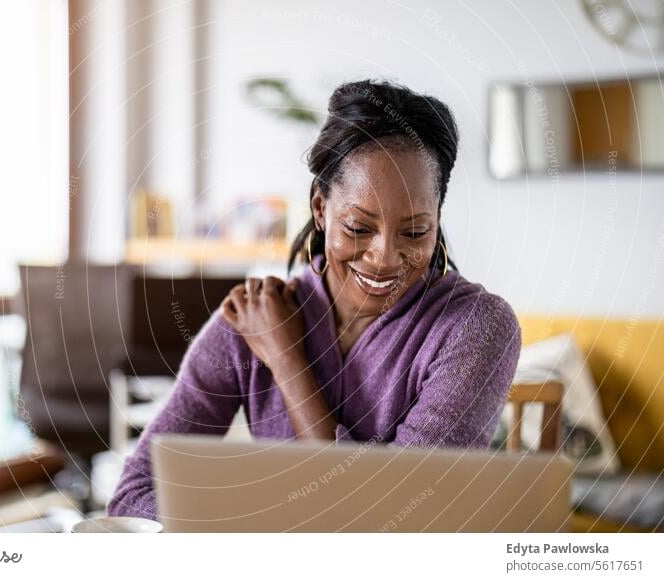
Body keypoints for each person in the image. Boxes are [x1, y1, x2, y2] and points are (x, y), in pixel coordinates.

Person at [107, 79, 521, 520]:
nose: (384, 257)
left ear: (438, 219)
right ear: (321, 209)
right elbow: (133, 495)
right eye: (358, 228)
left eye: (415, 232)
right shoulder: (252, 318)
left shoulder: (475, 328)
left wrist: (287, 361)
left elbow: (396, 519)